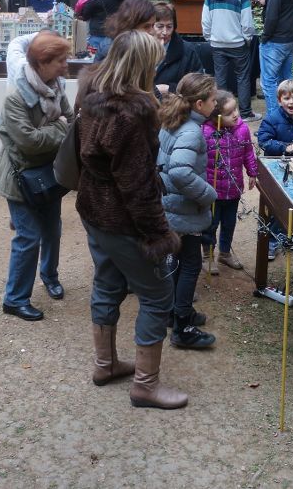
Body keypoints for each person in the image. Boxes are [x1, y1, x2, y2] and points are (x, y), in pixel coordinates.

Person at [76, 29, 187, 409]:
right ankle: (145, 385)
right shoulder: (133, 114)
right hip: (121, 220)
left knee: (107, 283)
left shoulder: (92, 97)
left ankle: (105, 365)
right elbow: (137, 186)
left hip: (94, 211)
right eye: (154, 60)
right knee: (157, 296)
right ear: (142, 65)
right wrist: (159, 234)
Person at [0, 32, 73, 322]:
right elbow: (30, 142)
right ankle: (14, 299)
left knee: (53, 230)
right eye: (61, 60)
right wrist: (60, 128)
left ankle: (49, 276)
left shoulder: (57, 85)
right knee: (29, 237)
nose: (67, 65)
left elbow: (70, 119)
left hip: (48, 176)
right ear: (43, 62)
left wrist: (58, 127)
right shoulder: (16, 98)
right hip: (21, 179)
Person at [157, 73, 218, 350]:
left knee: (177, 261)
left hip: (170, 205)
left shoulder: (172, 118)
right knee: (191, 263)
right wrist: (207, 194)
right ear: (199, 104)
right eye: (213, 99)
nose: (216, 104)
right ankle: (183, 326)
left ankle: (174, 311)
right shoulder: (192, 131)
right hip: (184, 209)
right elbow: (180, 170)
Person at [258, 80, 293, 260]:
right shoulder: (272, 119)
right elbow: (264, 141)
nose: (291, 102)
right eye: (287, 98)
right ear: (279, 100)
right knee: (277, 206)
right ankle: (271, 242)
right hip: (277, 167)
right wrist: (285, 147)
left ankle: (289, 237)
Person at [202, 91, 258, 273]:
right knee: (210, 224)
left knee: (229, 223)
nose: (235, 114)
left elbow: (248, 151)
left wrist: (252, 172)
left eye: (236, 109)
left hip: (233, 188)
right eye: (229, 113)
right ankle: (207, 256)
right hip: (212, 190)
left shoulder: (242, 129)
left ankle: (224, 253)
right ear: (215, 116)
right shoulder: (206, 132)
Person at [202, 0, 257, 121]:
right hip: (238, 44)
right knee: (243, 77)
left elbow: (205, 20)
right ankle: (246, 113)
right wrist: (247, 39)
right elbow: (247, 23)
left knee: (220, 78)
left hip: (217, 43)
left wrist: (209, 37)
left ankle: (221, 113)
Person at [152, 2, 204, 97]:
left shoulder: (187, 50)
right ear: (151, 26)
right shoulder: (138, 49)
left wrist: (169, 89)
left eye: (169, 27)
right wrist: (155, 90)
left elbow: (199, 85)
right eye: (160, 26)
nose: (165, 32)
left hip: (175, 107)